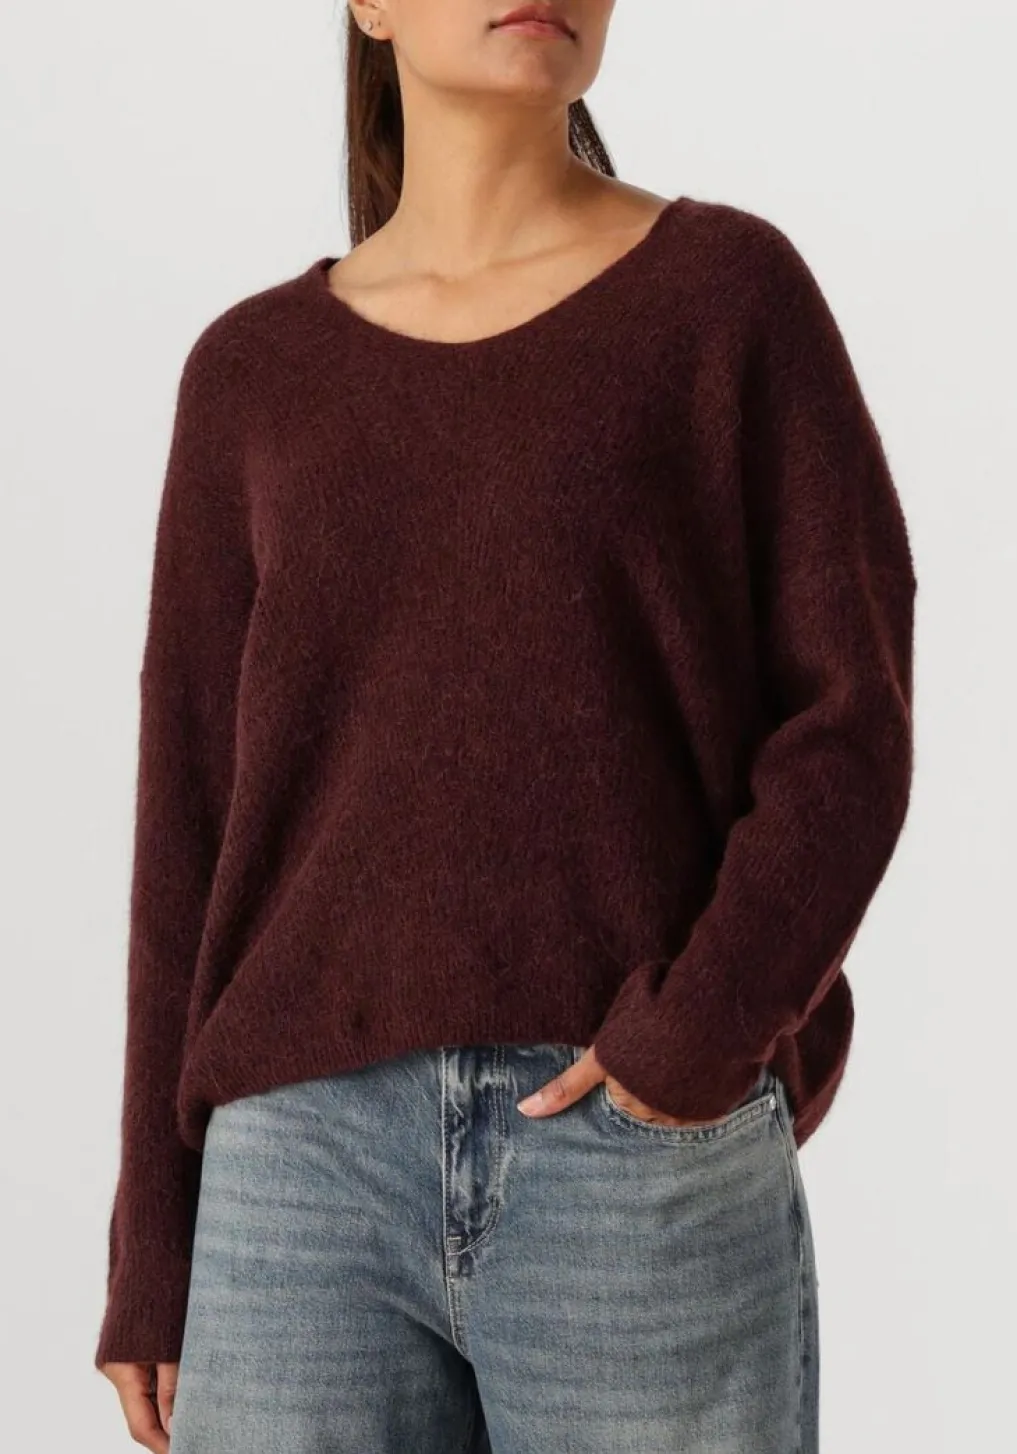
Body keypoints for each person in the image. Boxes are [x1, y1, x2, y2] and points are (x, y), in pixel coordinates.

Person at [94, 3, 917, 1451]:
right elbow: (191, 820)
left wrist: (702, 1032)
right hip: (298, 1182)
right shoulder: (251, 375)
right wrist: (153, 1239)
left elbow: (849, 716)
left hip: (632, 1148)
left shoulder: (727, 298)